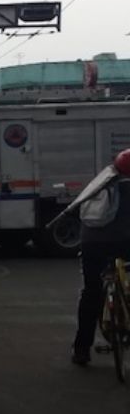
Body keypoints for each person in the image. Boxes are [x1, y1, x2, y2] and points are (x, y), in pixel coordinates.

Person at [72, 149, 130, 366]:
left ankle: (81, 349)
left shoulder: (101, 183)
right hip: (124, 242)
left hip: (91, 243)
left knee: (91, 292)